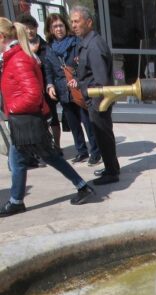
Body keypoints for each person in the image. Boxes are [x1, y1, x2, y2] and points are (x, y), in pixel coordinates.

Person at [0, 17, 94, 217]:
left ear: (1, 37)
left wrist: (13, 108)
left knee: (43, 157)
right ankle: (16, 200)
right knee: (20, 160)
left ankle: (82, 186)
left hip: (26, 120)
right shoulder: (14, 57)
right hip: (23, 120)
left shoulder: (18, 59)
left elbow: (33, 94)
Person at [69, 6, 120, 185]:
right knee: (102, 136)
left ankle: (112, 173)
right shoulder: (87, 43)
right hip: (95, 99)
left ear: (89, 22)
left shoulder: (94, 45)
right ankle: (111, 167)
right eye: (72, 22)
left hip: (98, 100)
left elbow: (101, 80)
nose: (73, 25)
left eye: (77, 21)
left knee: (103, 136)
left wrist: (97, 104)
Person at [43, 12, 101, 165]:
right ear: (50, 29)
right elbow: (48, 70)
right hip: (63, 91)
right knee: (74, 125)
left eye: (61, 25)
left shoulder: (76, 42)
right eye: (55, 26)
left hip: (78, 89)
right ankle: (81, 151)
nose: (58, 29)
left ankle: (96, 152)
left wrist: (77, 78)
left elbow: (84, 64)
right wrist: (50, 85)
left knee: (88, 123)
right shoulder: (49, 48)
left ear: (65, 26)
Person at [15, 13, 62, 154]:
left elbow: (51, 68)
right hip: (29, 91)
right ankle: (41, 149)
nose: (30, 31)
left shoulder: (45, 46)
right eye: (26, 28)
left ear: (36, 28)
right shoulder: (19, 48)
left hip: (46, 88)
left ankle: (57, 147)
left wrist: (50, 85)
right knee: (37, 122)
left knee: (53, 118)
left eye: (32, 27)